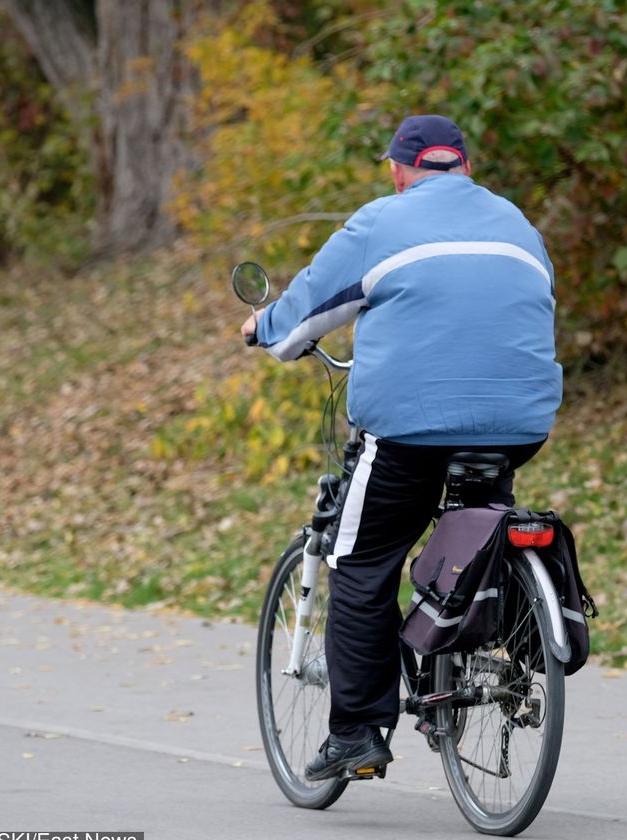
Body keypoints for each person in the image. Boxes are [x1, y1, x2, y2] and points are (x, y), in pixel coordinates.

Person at [240, 114, 562, 781]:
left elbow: (302, 315)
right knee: (478, 543)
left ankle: (357, 731)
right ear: (467, 167)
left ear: (397, 170)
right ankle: (472, 656)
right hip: (519, 423)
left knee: (361, 557)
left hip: (413, 429)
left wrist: (263, 327)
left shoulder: (379, 222)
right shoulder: (518, 225)